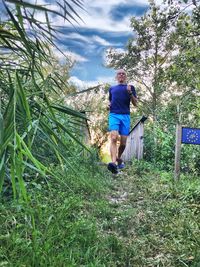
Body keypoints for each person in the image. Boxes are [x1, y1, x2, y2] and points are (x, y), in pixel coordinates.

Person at [107, 69, 137, 174]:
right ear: (116, 76)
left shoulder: (130, 87)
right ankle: (114, 163)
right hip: (114, 115)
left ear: (125, 76)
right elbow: (110, 100)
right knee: (114, 137)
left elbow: (135, 103)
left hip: (125, 116)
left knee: (123, 143)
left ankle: (119, 158)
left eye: (123, 74)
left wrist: (130, 93)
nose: (121, 75)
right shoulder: (112, 88)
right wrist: (108, 105)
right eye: (119, 73)